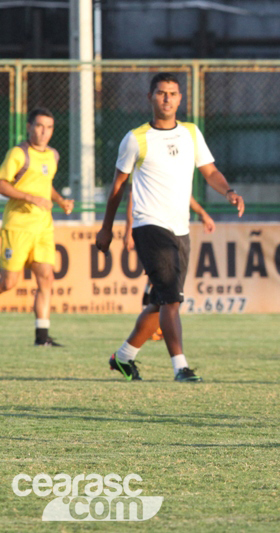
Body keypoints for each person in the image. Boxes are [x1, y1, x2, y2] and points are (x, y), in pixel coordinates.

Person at [96, 72, 244, 382]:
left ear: (180, 99)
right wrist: (107, 228)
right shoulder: (135, 139)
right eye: (161, 93)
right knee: (172, 300)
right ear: (150, 98)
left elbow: (210, 170)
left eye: (172, 93)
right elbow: (117, 188)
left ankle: (123, 358)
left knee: (162, 299)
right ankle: (181, 367)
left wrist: (228, 191)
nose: (167, 98)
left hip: (180, 229)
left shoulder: (191, 133)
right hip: (149, 226)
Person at [0, 108, 74, 346]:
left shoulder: (52, 155)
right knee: (9, 283)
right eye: (40, 126)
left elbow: (45, 184)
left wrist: (60, 201)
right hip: (18, 227)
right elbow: (2, 183)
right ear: (29, 127)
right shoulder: (19, 154)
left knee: (46, 277)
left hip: (43, 227)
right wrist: (30, 198)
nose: (44, 132)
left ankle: (42, 337)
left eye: (49, 127)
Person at [125, 189, 216, 342]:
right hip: (152, 228)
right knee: (158, 280)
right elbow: (132, 194)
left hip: (174, 231)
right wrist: (128, 229)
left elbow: (185, 192)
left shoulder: (177, 169)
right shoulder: (146, 166)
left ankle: (152, 327)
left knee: (160, 282)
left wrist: (202, 213)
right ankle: (152, 328)